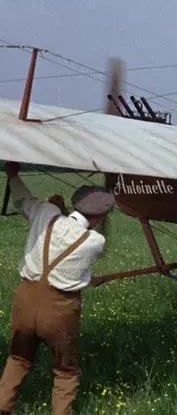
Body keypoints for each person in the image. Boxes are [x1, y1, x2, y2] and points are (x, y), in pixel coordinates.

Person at [0, 161, 114, 415]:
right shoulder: (95, 241)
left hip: (26, 298)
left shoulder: (45, 212)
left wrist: (12, 174)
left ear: (75, 203)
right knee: (65, 371)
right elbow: (78, 247)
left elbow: (23, 198)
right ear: (99, 216)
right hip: (60, 308)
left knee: (18, 359)